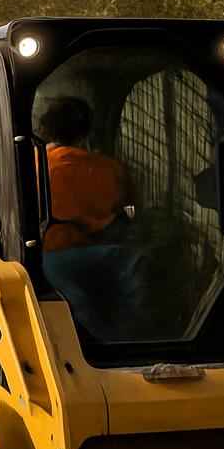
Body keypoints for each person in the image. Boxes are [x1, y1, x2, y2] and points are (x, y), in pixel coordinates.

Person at [34, 98, 141, 339]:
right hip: (105, 255)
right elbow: (130, 210)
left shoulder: (35, 165)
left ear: (44, 129)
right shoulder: (110, 168)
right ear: (85, 131)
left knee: (78, 308)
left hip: (51, 260)